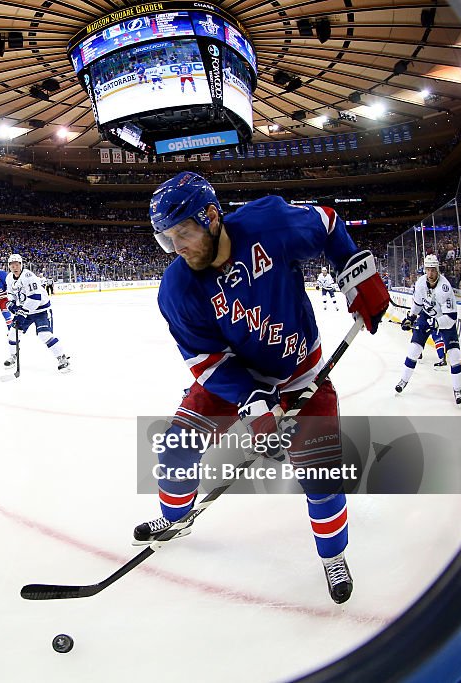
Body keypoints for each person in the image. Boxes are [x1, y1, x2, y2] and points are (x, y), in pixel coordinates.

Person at [139, 171, 389, 604]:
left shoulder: (268, 224)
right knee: (177, 445)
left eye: (184, 232)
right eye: (167, 239)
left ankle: (333, 556)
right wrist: (252, 400)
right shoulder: (177, 289)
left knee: (322, 477)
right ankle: (176, 518)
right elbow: (207, 361)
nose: (178, 248)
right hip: (238, 379)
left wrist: (354, 268)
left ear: (212, 216)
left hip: (301, 375)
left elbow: (328, 224)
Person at [395, 255, 461, 404]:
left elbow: (451, 317)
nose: (430, 273)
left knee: (454, 355)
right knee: (413, 350)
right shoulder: (420, 283)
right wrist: (411, 318)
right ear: (424, 270)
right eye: (428, 270)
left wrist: (436, 323)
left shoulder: (444, 288)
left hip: (444, 321)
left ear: (437, 269)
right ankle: (403, 381)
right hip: (426, 318)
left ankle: (457, 390)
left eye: (433, 270)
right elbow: (418, 305)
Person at [5, 253, 70, 372]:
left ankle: (62, 358)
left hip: (41, 310)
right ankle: (13, 356)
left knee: (44, 334)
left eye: (17, 264)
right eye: (12, 265)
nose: (14, 267)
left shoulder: (29, 276)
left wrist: (22, 312)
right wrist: (12, 305)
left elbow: (35, 298)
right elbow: (11, 294)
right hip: (26, 310)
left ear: (21, 264)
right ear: (9, 266)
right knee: (13, 332)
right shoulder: (9, 278)